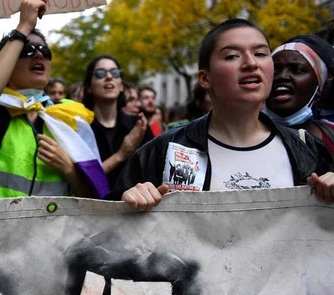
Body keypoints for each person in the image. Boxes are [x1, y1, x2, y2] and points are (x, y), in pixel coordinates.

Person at [115, 18, 334, 211]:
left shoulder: (307, 151)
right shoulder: (163, 151)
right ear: (205, 78)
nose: (251, 63)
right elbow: (111, 231)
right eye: (232, 56)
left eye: (260, 54)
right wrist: (128, 204)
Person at [0, 0, 107, 199]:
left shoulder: (69, 118)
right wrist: (24, 26)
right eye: (26, 49)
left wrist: (69, 169)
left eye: (44, 50)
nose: (38, 55)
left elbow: (95, 197)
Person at [82, 55, 153, 190]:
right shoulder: (81, 127)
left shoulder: (137, 125)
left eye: (115, 73)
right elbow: (81, 181)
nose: (109, 77)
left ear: (121, 86)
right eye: (100, 73)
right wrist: (121, 154)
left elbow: (153, 170)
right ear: (89, 86)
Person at [264, 34, 334, 153]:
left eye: (297, 70)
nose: (282, 76)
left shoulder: (330, 136)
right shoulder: (238, 135)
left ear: (319, 87)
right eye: (275, 69)